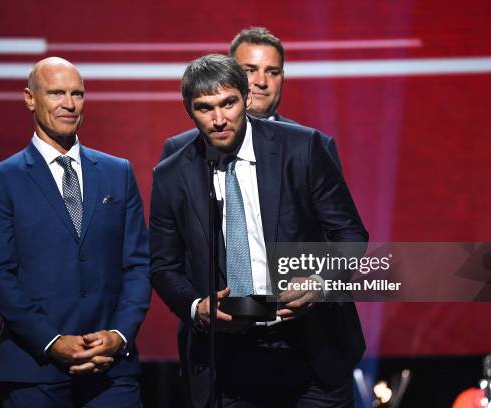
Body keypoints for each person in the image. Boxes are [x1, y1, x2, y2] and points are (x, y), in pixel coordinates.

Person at [150, 54, 368, 407]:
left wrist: (319, 282)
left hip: (312, 351)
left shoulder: (303, 148)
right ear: (189, 111)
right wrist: (195, 307)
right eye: (205, 108)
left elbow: (350, 235)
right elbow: (163, 265)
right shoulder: (172, 174)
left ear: (246, 99)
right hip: (227, 359)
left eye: (229, 104)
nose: (219, 120)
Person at [0, 57, 150, 407]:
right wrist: (52, 341)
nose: (69, 104)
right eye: (56, 93)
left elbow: (138, 265)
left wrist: (118, 335)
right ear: (30, 98)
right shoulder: (1, 179)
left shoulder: (118, 172)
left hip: (111, 369)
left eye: (77, 94)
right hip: (34, 369)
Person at [160, 27, 341, 171]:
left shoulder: (313, 146)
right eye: (250, 70)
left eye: (272, 72)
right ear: (230, 75)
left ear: (282, 78)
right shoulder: (179, 149)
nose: (262, 82)